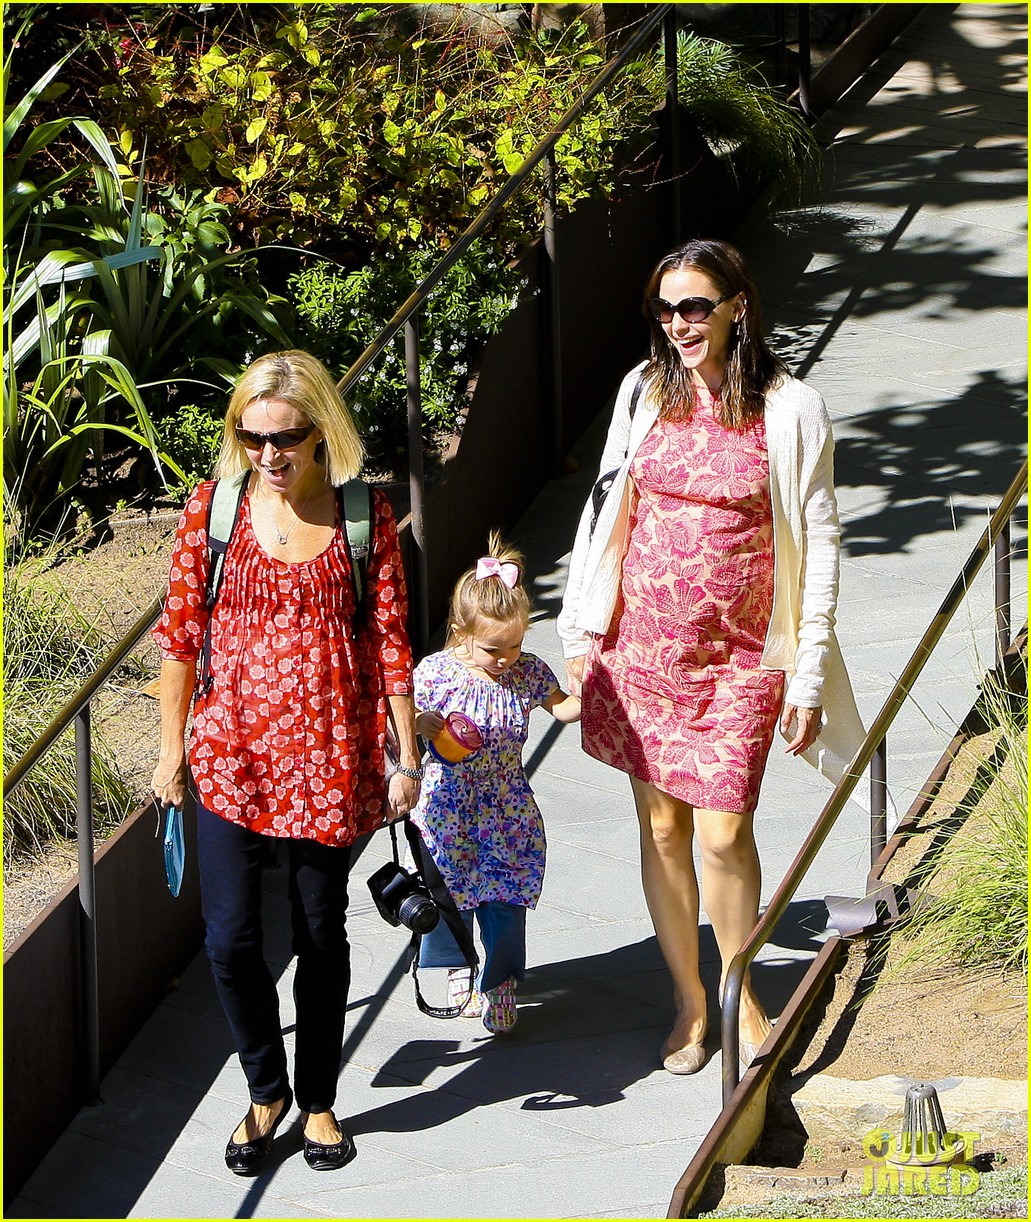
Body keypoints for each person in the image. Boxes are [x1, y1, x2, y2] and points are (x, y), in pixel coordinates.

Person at [558, 239, 864, 1075]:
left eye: (694, 306)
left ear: (737, 306)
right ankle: (691, 1004)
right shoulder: (642, 389)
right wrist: (581, 630)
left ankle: (739, 990)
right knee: (662, 828)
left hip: (740, 657)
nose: (678, 324)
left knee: (724, 833)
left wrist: (806, 672)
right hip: (641, 646)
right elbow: (605, 506)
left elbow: (820, 542)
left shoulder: (790, 408)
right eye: (663, 309)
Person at [151, 350, 422, 1173]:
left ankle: (317, 1101)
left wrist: (406, 755)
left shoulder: (361, 515)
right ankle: (264, 1089)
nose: (268, 454)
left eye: (286, 437)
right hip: (230, 755)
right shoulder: (213, 511)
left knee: (317, 932)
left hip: (328, 760)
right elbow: (179, 638)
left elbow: (390, 642)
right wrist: (169, 751)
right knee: (231, 940)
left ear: (320, 432)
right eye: (252, 436)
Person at [410, 534, 581, 1034]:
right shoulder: (435, 673)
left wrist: (597, 680)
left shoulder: (526, 672)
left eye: (516, 645)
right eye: (493, 648)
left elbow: (564, 708)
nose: (506, 657)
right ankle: (458, 968)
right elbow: (401, 720)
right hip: (447, 802)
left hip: (507, 804)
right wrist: (419, 723)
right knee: (450, 893)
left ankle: (500, 981)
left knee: (506, 897)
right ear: (460, 633)